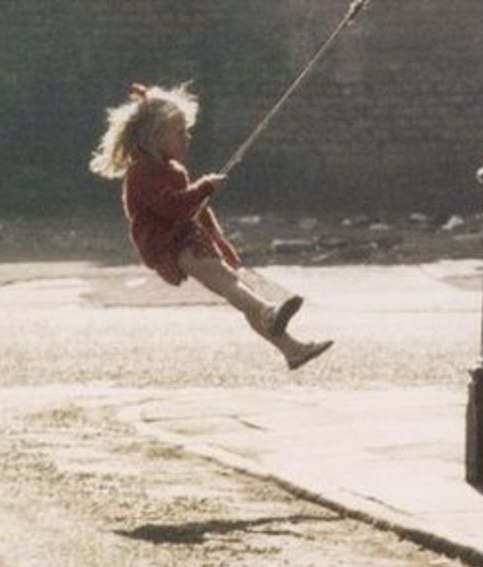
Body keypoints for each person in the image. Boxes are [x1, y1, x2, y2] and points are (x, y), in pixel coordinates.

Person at [90, 82, 332, 370]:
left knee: (237, 290)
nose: (187, 138)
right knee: (229, 284)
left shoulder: (171, 169)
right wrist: (205, 186)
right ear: (153, 137)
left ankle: (291, 349)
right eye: (179, 133)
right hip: (169, 243)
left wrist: (217, 238)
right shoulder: (142, 171)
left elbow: (195, 209)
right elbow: (172, 206)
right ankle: (268, 312)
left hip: (186, 236)